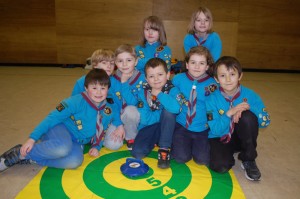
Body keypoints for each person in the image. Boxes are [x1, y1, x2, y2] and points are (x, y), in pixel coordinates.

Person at [0, 69, 124, 172]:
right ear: (86, 88)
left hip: (77, 140)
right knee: (62, 148)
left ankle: (31, 158)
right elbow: (52, 117)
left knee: (75, 161)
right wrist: (32, 138)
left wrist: (97, 146)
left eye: (103, 88)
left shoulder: (108, 108)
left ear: (108, 89)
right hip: (60, 129)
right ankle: (20, 153)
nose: (98, 92)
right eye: (94, 88)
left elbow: (101, 128)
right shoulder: (75, 101)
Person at [205, 56, 271, 181]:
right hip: (220, 136)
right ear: (216, 79)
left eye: (232, 74)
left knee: (247, 117)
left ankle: (248, 159)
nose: (228, 80)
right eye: (223, 75)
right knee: (220, 167)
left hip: (242, 136)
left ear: (240, 76)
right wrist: (229, 113)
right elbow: (215, 129)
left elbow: (265, 122)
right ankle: (228, 152)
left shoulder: (251, 95)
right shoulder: (211, 98)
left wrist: (246, 108)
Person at [127, 58, 182, 169]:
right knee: (137, 153)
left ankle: (164, 149)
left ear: (167, 75)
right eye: (151, 76)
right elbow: (145, 119)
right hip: (150, 126)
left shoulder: (173, 90)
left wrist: (160, 95)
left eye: (160, 74)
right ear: (146, 79)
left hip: (169, 127)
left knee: (169, 112)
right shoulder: (143, 92)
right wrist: (161, 116)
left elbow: (176, 109)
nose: (156, 79)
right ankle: (157, 140)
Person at [171, 46, 218, 166]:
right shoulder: (178, 79)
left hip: (202, 128)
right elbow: (170, 92)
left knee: (202, 160)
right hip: (182, 125)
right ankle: (182, 144)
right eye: (193, 62)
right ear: (186, 64)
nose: (197, 67)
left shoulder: (213, 84)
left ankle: (195, 146)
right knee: (181, 158)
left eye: (201, 63)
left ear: (207, 66)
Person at [112, 44, 146, 150]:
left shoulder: (143, 79)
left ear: (136, 62)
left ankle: (131, 138)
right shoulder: (111, 80)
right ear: (115, 62)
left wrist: (124, 83)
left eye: (129, 60)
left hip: (136, 117)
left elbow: (134, 103)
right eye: (120, 61)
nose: (124, 64)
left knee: (131, 110)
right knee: (113, 145)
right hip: (118, 117)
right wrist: (118, 124)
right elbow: (112, 105)